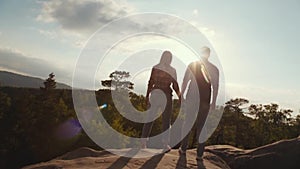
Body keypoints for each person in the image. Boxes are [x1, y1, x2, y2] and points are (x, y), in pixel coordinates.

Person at [179, 46, 219, 160]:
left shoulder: (193, 65)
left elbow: (185, 80)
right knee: (202, 125)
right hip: (205, 98)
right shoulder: (214, 68)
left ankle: (183, 148)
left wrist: (182, 95)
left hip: (192, 96)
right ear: (209, 54)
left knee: (188, 122)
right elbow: (215, 86)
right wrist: (214, 102)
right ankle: (200, 154)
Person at [141, 51, 181, 151]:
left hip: (158, 94)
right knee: (164, 120)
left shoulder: (157, 67)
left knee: (155, 119)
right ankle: (163, 144)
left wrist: (147, 96)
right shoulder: (171, 70)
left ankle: (145, 142)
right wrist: (180, 96)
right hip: (164, 94)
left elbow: (151, 82)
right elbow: (174, 85)